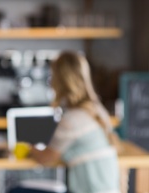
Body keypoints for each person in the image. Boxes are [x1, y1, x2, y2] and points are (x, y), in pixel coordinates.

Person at [11, 51, 121, 193]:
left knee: (17, 191)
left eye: (52, 76)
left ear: (60, 81)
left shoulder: (73, 119)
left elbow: (46, 158)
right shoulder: (97, 110)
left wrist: (28, 149)